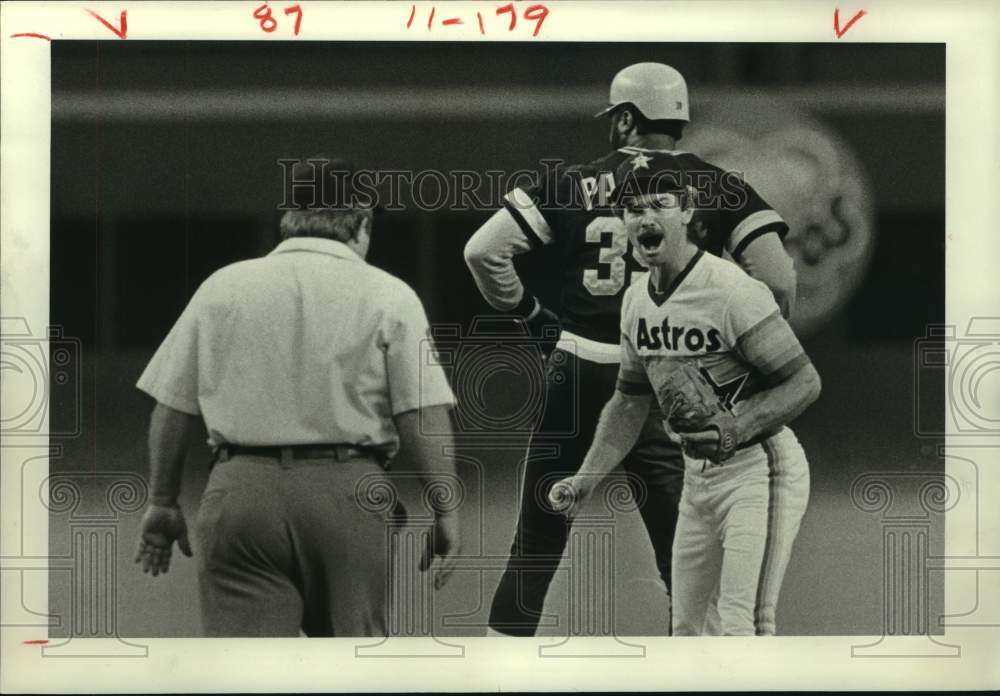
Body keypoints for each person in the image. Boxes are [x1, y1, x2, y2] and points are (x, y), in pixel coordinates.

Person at [464, 62, 797, 636]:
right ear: (680, 123)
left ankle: (499, 666)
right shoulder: (716, 184)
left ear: (624, 119)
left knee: (538, 540)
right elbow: (778, 277)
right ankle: (703, 669)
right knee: (683, 550)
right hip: (666, 377)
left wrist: (532, 317)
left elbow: (482, 251)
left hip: (579, 365)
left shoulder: (569, 181)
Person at [133, 156, 461, 637]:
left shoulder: (221, 287)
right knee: (352, 671)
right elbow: (421, 411)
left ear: (289, 220)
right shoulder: (390, 295)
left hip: (240, 494)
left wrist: (163, 500)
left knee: (248, 677)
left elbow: (172, 404)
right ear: (362, 222)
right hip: (350, 494)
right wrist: (445, 508)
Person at [549, 153, 820, 635]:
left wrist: (736, 427)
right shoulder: (635, 300)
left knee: (744, 623)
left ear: (689, 211)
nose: (646, 217)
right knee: (687, 629)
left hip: (760, 470)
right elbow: (629, 401)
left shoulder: (730, 291)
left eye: (661, 204)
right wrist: (585, 480)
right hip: (697, 480)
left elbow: (804, 381)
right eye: (633, 208)